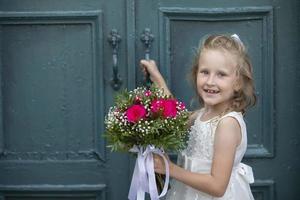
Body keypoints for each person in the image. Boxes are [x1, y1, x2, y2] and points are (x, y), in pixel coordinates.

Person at [140, 34, 256, 200]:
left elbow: (217, 187)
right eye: (205, 72)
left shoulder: (227, 124)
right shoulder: (203, 113)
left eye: (221, 74)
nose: (210, 81)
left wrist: (170, 169)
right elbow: (175, 116)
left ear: (238, 83)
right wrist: (157, 78)